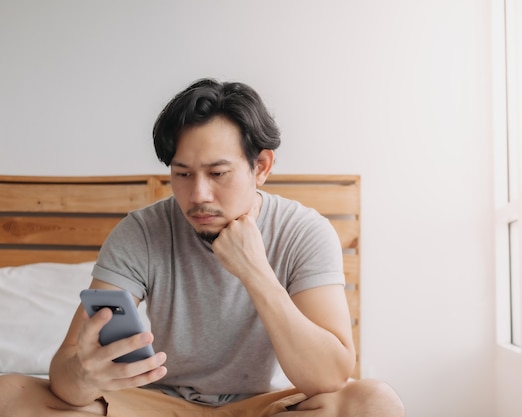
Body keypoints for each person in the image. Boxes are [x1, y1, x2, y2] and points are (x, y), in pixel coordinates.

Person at [0, 78, 405, 417]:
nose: (198, 195)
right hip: (159, 405)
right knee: (10, 394)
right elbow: (64, 376)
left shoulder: (305, 232)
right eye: (182, 174)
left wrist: (255, 272)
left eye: (218, 173)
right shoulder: (141, 231)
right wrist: (82, 376)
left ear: (261, 166)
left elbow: (330, 376)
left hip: (265, 407)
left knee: (375, 403)